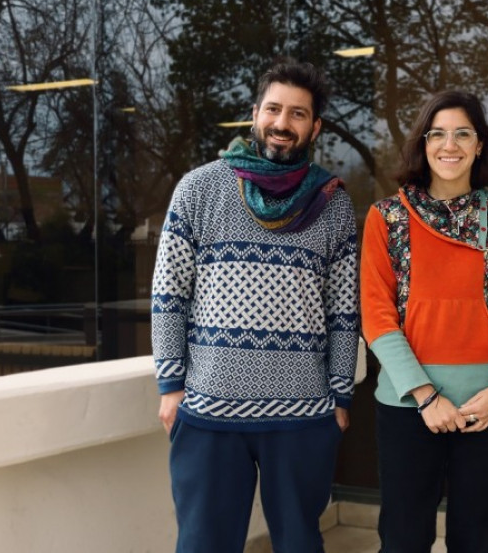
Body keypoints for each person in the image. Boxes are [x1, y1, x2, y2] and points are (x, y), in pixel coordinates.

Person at [151, 58, 359, 553]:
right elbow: (168, 293)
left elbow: (344, 310)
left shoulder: (333, 202)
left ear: (315, 126)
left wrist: (340, 397)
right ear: (254, 114)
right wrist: (171, 384)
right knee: (203, 544)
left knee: (300, 546)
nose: (282, 124)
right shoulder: (199, 188)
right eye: (273, 109)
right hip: (208, 411)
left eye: (298, 114)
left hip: (304, 413)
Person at [360, 90, 488, 552]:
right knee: (403, 539)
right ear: (422, 145)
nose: (450, 145)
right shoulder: (387, 218)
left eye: (463, 133)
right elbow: (377, 317)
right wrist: (425, 396)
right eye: (437, 134)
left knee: (475, 540)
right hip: (408, 407)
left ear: (480, 144)